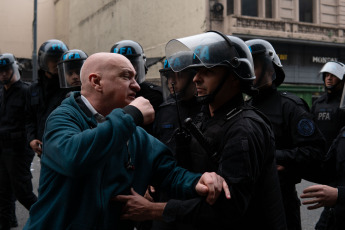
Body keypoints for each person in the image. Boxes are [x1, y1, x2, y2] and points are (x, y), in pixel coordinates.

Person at [23, 52, 230, 230]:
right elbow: (73, 158)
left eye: (136, 77)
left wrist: (198, 182)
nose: (137, 86)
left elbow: (168, 172)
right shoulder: (64, 118)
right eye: (126, 77)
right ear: (96, 82)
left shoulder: (129, 130)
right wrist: (131, 115)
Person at [115, 31, 287, 229]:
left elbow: (229, 208)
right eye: (196, 71)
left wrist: (153, 210)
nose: (196, 78)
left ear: (234, 78)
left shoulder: (244, 129)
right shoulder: (206, 117)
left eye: (208, 71)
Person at [244, 39, 326, 230]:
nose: (249, 72)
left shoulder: (290, 106)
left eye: (254, 65)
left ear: (271, 69)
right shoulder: (243, 108)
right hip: (247, 201)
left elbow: (315, 151)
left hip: (281, 201)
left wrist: (277, 157)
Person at [0, 53, 37, 230]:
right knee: (3, 191)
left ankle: (46, 219)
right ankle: (7, 223)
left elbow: (32, 119)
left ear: (13, 69)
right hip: (3, 148)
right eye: (0, 71)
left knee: (23, 192)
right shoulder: (1, 92)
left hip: (19, 149)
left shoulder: (26, 91)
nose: (3, 74)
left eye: (6, 70)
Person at [25, 39, 69, 157]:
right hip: (43, 149)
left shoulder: (70, 88)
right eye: (52, 60)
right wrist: (31, 139)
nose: (57, 63)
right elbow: (28, 118)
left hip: (66, 147)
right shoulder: (33, 89)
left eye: (60, 59)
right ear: (44, 62)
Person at [110, 40, 163, 134]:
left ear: (141, 65)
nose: (128, 70)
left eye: (132, 64)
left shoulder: (156, 96)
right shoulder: (106, 96)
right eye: (121, 66)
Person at [300, 124, 345, 230]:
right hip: (332, 218)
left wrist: (339, 195)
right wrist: (291, 166)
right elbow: (327, 170)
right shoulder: (343, 132)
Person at [311, 61, 345, 150]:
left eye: (333, 75)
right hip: (319, 154)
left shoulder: (343, 103)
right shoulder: (318, 103)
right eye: (327, 75)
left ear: (342, 79)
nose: (329, 78)